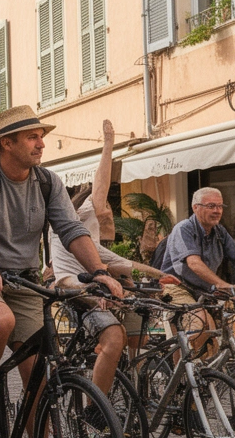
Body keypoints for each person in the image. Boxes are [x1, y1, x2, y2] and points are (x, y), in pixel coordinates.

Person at [0, 106, 124, 438]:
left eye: (41, 135)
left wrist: (100, 271)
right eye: (32, 136)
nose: (41, 142)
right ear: (6, 143)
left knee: (39, 377)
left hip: (25, 280)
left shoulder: (47, 182)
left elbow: (72, 229)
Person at [50, 120, 177, 373]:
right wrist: (108, 144)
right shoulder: (77, 222)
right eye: (105, 208)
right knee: (112, 337)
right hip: (76, 297)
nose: (109, 212)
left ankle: (132, 375)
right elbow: (99, 189)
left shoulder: (93, 244)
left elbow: (129, 266)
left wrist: (163, 278)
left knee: (135, 323)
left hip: (96, 292)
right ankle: (95, 408)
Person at [159, 187, 235, 313]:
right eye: (211, 206)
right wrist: (220, 284)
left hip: (204, 289)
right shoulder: (184, 229)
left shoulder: (220, 231)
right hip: (177, 286)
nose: (217, 211)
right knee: (199, 320)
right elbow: (194, 263)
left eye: (220, 206)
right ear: (195, 207)